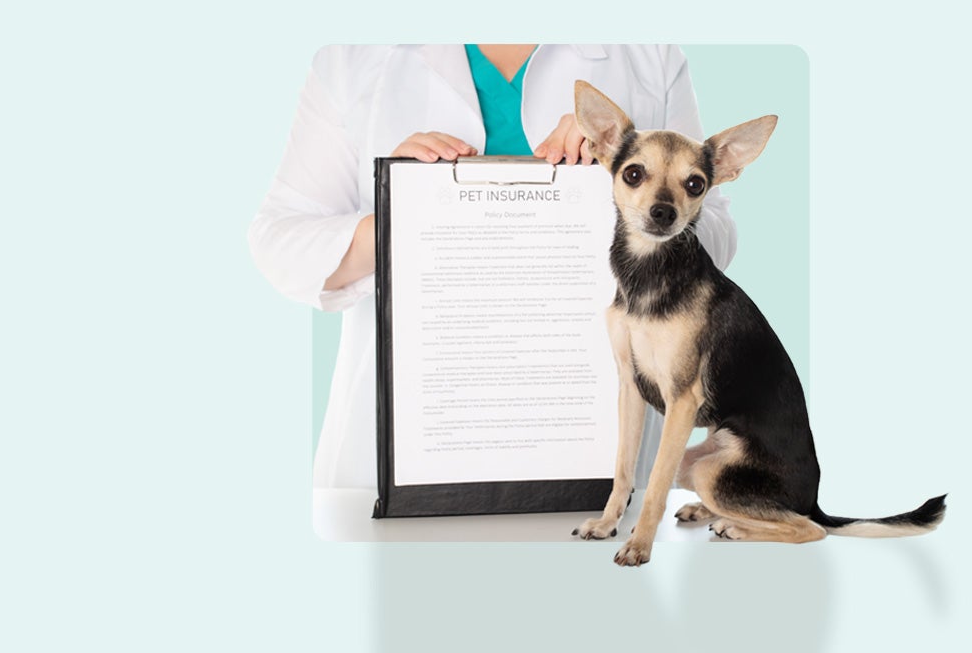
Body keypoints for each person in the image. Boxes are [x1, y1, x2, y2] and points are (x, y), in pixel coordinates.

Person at [248, 44, 739, 515]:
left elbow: (716, 229)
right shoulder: (351, 56)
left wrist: (622, 179)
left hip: (588, 453)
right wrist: (404, 205)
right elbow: (277, 242)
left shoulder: (648, 54)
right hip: (407, 450)